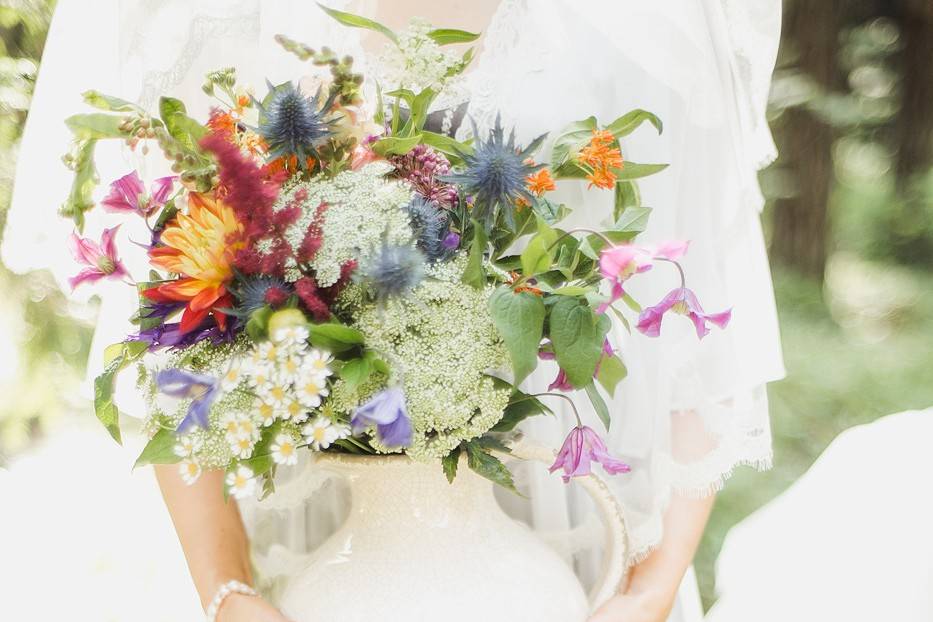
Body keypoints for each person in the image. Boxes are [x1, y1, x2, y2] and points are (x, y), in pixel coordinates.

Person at [5, 1, 784, 620]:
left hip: (584, 553)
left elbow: (703, 318)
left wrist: (646, 594)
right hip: (315, 558)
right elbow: (174, 318)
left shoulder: (638, 19)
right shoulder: (225, 20)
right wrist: (227, 590)